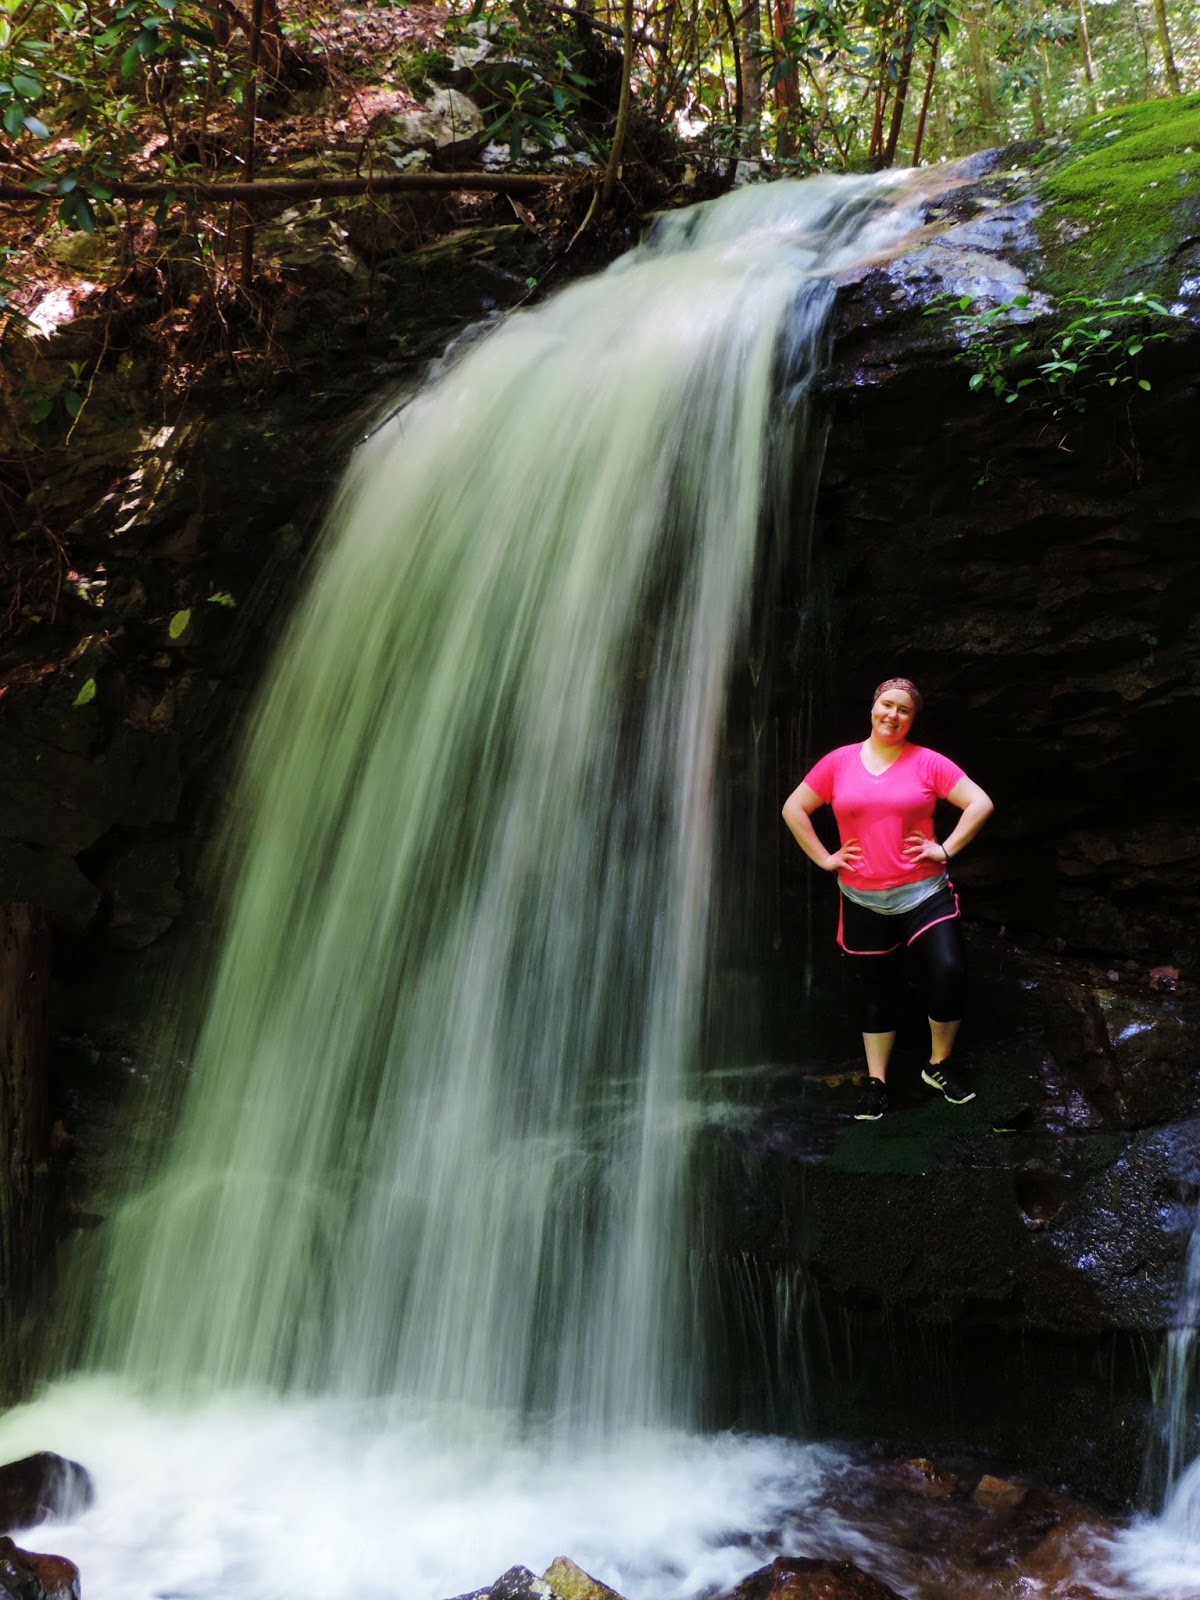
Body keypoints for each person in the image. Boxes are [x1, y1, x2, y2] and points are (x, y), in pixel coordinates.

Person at [781, 678, 994, 1121]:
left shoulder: (927, 763)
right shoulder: (838, 763)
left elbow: (979, 802)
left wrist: (946, 848)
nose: (892, 715)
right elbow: (793, 808)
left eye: (903, 710)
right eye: (886, 705)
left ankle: (939, 1065)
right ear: (873, 707)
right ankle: (877, 1082)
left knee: (949, 970)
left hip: (925, 892)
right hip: (861, 896)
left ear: (912, 720)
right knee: (877, 990)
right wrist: (825, 858)